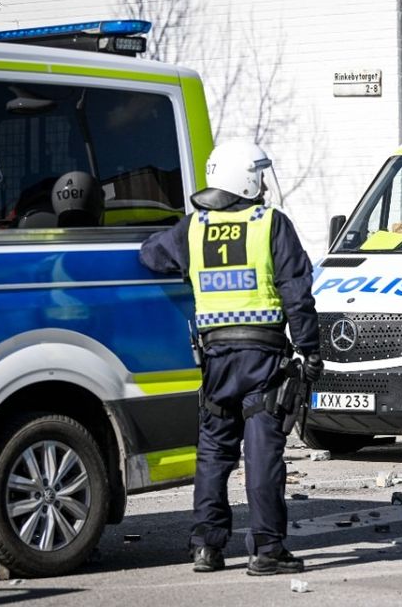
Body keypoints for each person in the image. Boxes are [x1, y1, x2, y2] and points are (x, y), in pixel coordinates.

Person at [139, 139, 324, 576]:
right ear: (248, 180)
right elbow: (297, 295)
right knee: (262, 455)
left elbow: (149, 254)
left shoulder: (193, 229)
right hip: (264, 360)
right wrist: (310, 350)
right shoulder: (271, 225)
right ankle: (266, 551)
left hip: (216, 359)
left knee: (213, 454)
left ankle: (206, 546)